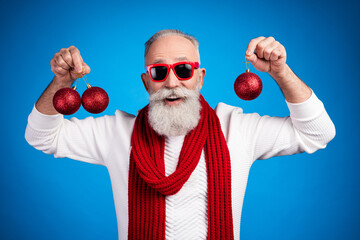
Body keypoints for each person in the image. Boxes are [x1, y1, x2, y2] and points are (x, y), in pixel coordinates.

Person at [25, 29, 336, 240]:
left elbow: (317, 133)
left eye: (183, 70)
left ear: (199, 78)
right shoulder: (118, 133)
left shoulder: (237, 128)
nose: (172, 82)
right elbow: (41, 136)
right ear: (147, 83)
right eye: (159, 71)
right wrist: (61, 82)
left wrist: (280, 72)